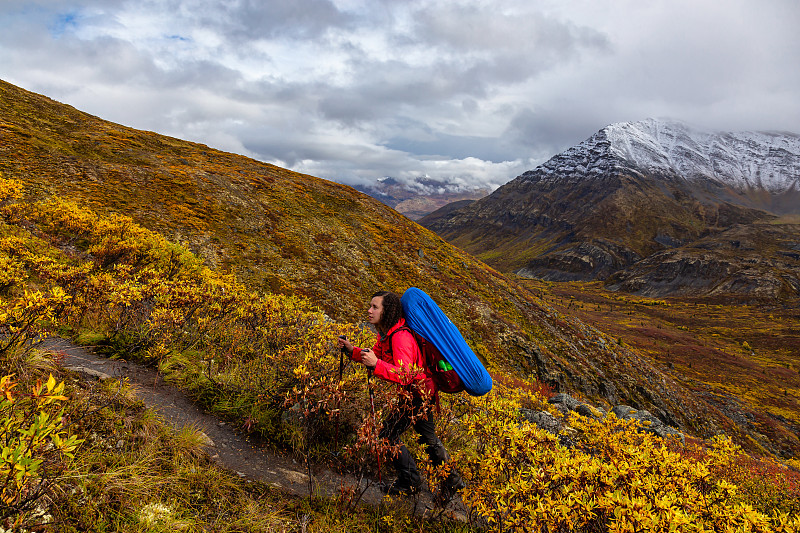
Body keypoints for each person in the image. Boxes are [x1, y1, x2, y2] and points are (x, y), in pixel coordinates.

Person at [338, 290, 465, 500]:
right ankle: (453, 481)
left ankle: (410, 482)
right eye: (370, 306)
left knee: (388, 434)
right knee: (427, 438)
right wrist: (352, 350)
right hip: (422, 392)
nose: (369, 311)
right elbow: (375, 355)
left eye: (374, 307)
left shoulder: (401, 338)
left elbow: (405, 374)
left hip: (418, 394)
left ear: (387, 311)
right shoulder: (388, 333)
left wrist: (376, 365)